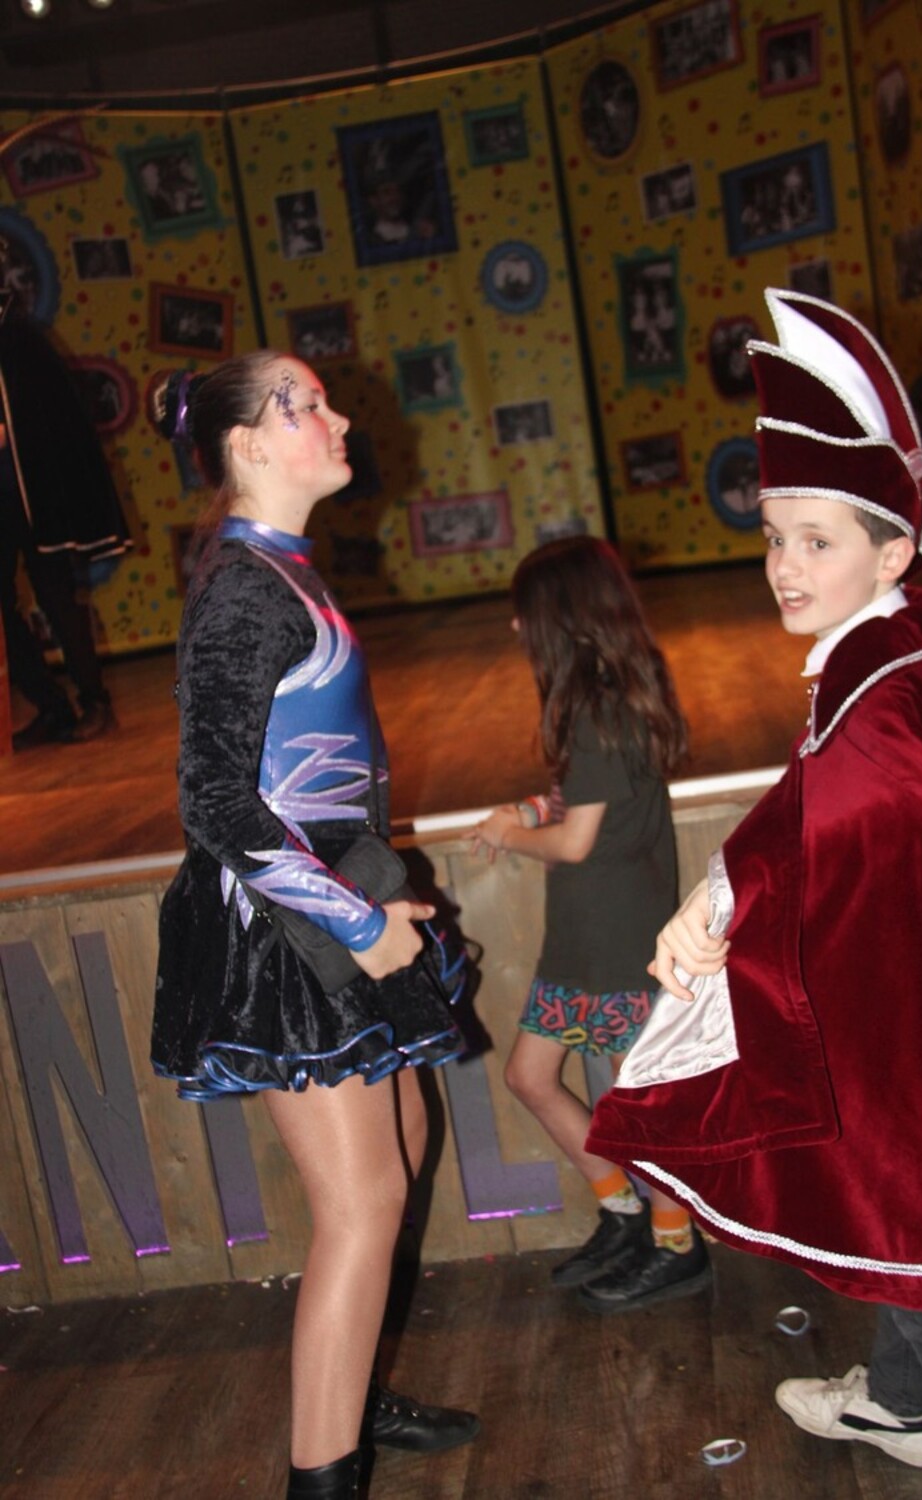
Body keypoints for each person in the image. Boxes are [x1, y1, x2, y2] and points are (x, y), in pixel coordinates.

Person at [587, 289, 922, 1497]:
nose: (783, 567)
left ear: (892, 551)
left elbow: (862, 814)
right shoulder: (900, 645)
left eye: (816, 542)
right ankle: (893, 1407)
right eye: (775, 537)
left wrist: (731, 911)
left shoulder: (879, 696)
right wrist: (723, 884)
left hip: (896, 1026)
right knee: (909, 1226)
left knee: (903, 1241)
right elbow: (819, 792)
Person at [149, 351, 479, 1500]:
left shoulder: (280, 570)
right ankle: (322, 1475)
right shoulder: (243, 590)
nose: (338, 417)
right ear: (247, 445)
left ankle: (352, 1387)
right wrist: (354, 920)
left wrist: (368, 901)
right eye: (306, 405)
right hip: (286, 925)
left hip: (334, 898)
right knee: (364, 1202)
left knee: (405, 1154)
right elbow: (214, 802)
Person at [469, 536, 711, 1313]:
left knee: (630, 1103)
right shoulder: (605, 700)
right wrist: (530, 805)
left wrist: (512, 833)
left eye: (525, 614)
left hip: (614, 936)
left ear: (561, 619)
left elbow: (575, 842)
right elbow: (591, 802)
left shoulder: (599, 710)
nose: (517, 628)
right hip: (585, 930)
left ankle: (675, 1246)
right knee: (530, 1076)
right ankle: (624, 1212)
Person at [0, 241, 129, 747]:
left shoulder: (18, 337)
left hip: (35, 492)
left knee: (56, 596)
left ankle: (95, 702)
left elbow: (43, 417)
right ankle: (49, 705)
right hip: (5, 497)